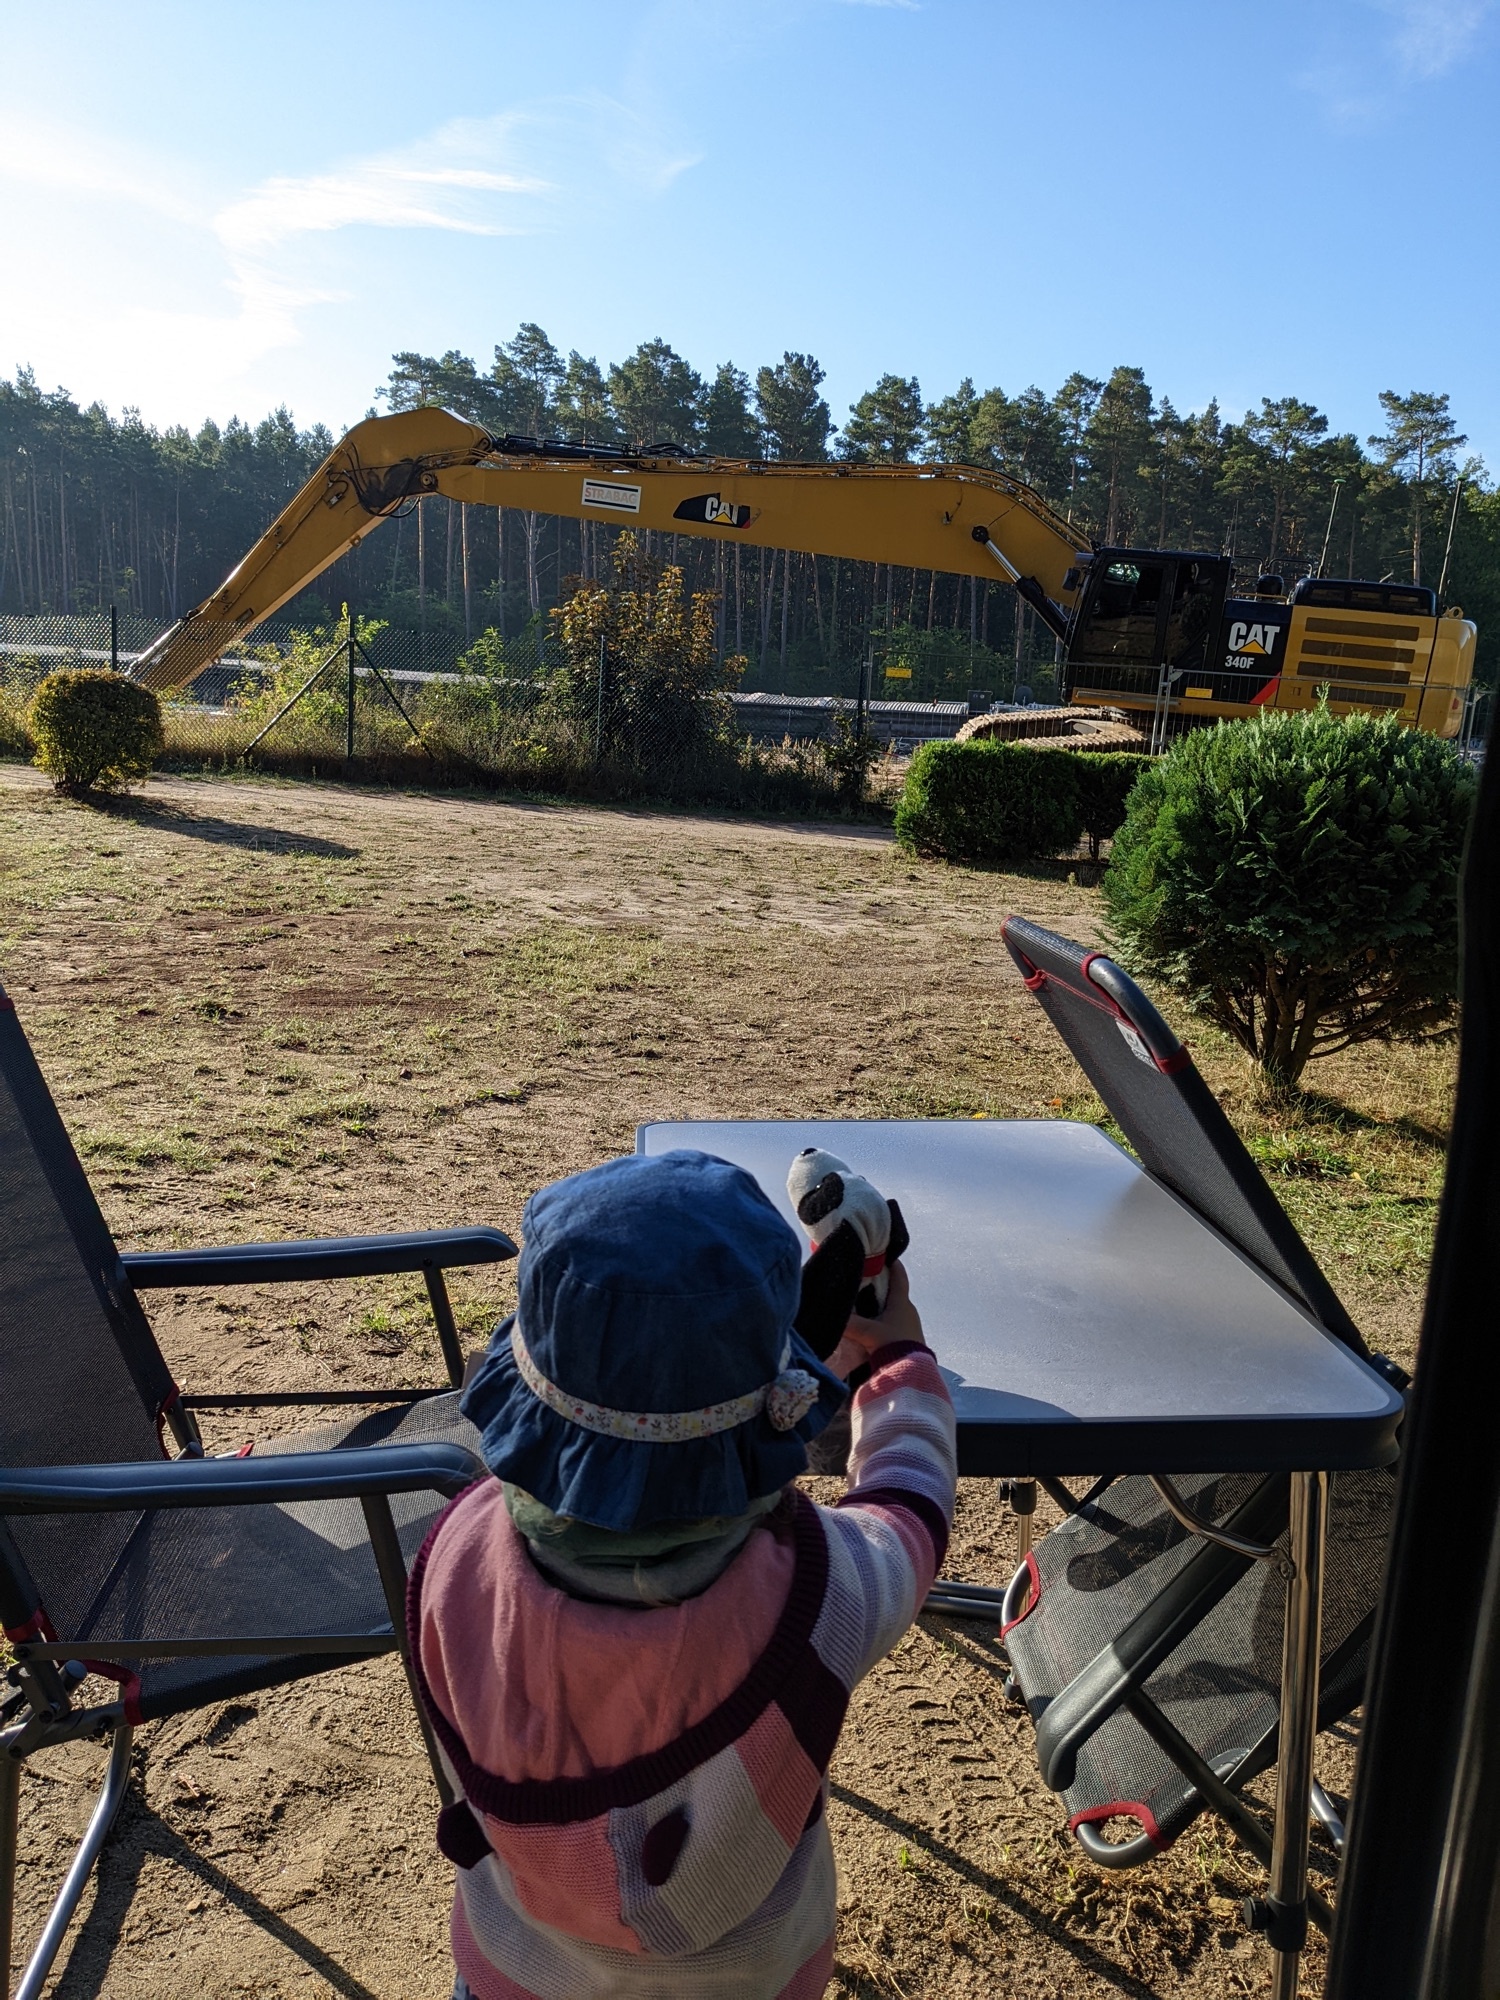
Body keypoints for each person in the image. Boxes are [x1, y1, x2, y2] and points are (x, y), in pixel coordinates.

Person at [409, 1148, 958, 2000]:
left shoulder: (451, 1556)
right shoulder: (819, 1595)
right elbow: (909, 1506)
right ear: (761, 1417)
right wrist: (898, 1364)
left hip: (518, 1971)